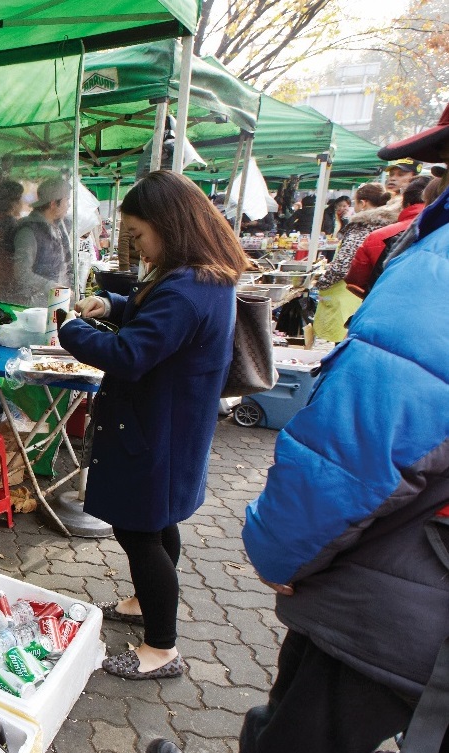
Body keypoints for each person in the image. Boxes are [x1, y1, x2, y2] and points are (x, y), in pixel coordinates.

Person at [147, 106, 449, 753]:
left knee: (299, 731)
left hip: (395, 592)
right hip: (414, 582)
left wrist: (281, 551)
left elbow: (356, 448)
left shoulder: (439, 271)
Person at [57, 170, 249, 681]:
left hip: (156, 428)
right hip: (173, 426)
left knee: (139, 532)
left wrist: (71, 329)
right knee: (159, 523)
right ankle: (147, 602)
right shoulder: (202, 276)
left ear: (170, 225)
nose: (137, 247)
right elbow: (157, 322)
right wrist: (114, 305)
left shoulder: (186, 287)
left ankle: (161, 648)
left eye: (139, 235)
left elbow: (131, 354)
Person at [312, 183, 397, 342]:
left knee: (340, 344)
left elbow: (343, 266)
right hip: (370, 294)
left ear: (363, 203)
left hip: (346, 293)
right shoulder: (392, 226)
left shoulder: (362, 226)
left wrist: (321, 282)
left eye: (355, 202)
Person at [346, 175, 433, 296]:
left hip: (383, 302)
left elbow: (356, 279)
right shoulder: (439, 233)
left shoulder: (379, 236)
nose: (393, 178)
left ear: (405, 204)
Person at [8, 177, 72, 306]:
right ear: (53, 203)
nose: (68, 205)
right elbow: (21, 273)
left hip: (55, 301)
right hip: (34, 306)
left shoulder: (57, 227)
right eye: (66, 200)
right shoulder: (28, 231)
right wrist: (51, 287)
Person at [0, 178, 27, 294]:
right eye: (20, 200)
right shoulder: (13, 225)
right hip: (7, 279)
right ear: (14, 203)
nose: (22, 204)